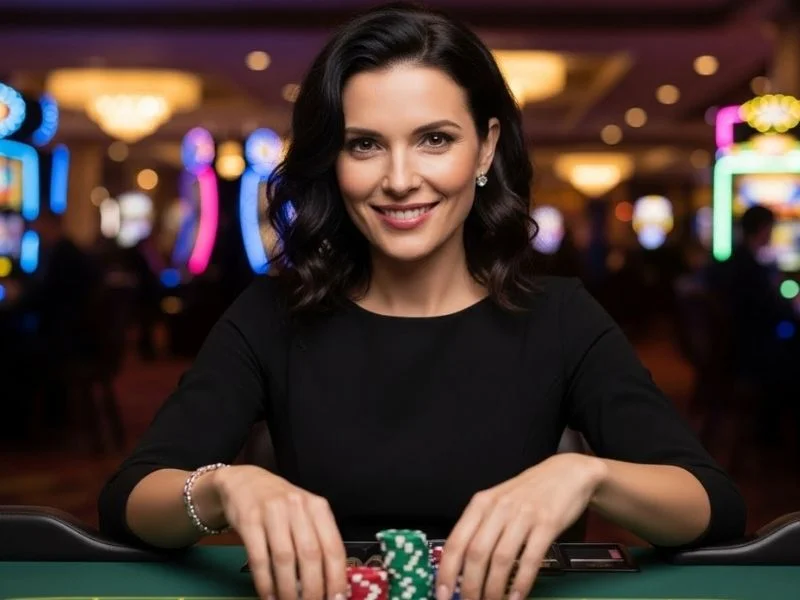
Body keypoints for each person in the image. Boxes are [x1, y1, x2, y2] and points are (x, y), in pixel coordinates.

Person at [98, 4, 747, 600]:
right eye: (365, 144)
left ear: (486, 147)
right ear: (334, 161)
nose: (400, 179)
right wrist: (220, 487)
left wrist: (591, 477)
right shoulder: (270, 315)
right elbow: (130, 499)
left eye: (434, 138)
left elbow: (712, 506)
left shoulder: (560, 316)